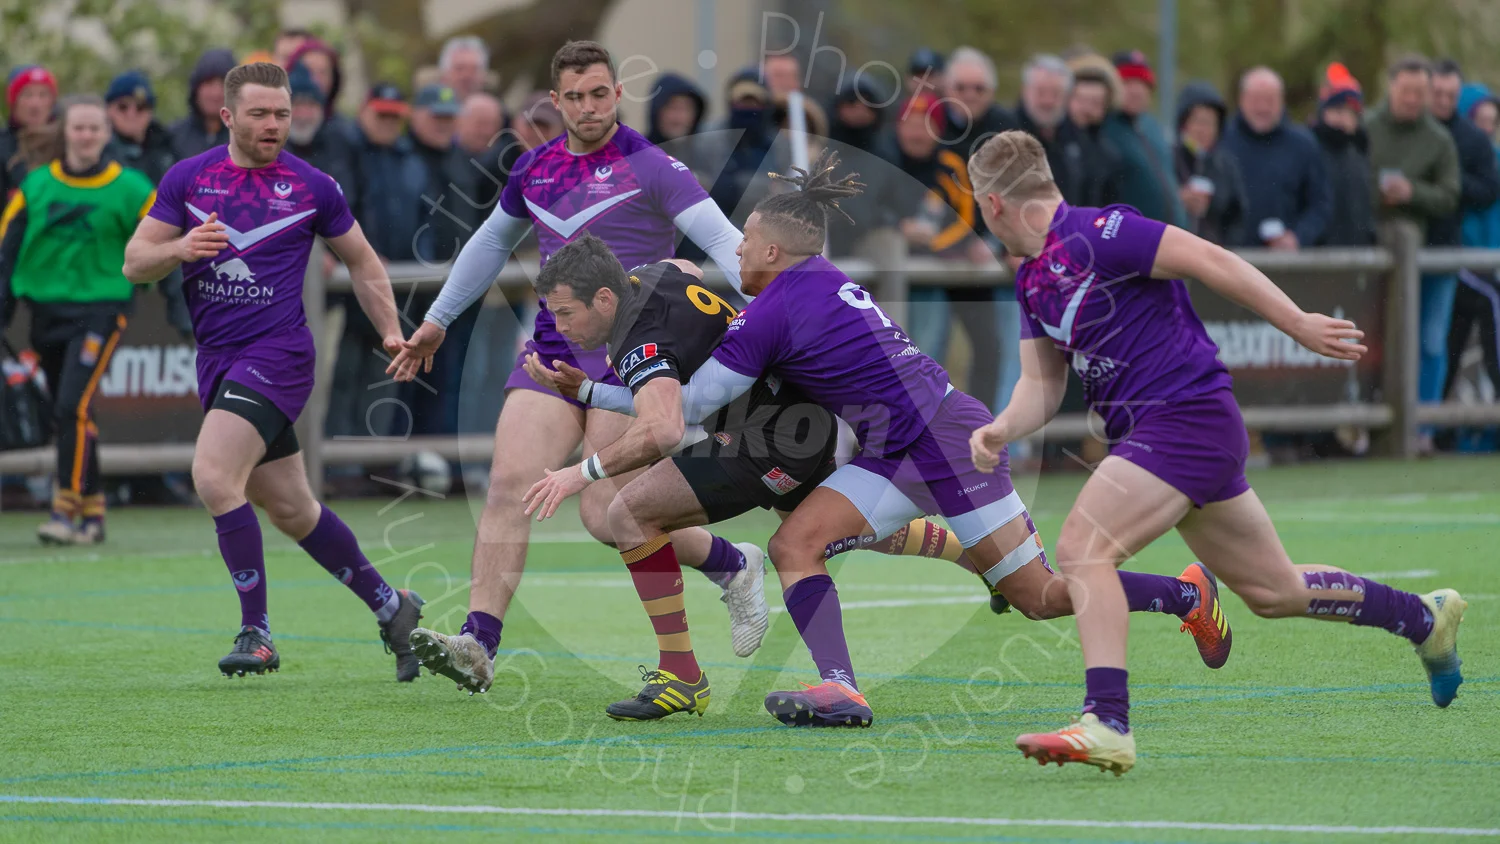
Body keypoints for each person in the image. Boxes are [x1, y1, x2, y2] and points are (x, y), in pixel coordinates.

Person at [543, 150, 1231, 727]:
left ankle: (1185, 597)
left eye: (746, 240)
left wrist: (592, 401)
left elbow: (687, 405)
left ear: (773, 250)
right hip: (890, 449)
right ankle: (840, 685)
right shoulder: (811, 283)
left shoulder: (772, 312)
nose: (737, 248)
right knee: (795, 543)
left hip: (949, 444)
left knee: (1040, 597)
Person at [965, 130, 1466, 775]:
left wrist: (1298, 323)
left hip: (1184, 420)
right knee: (1273, 590)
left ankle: (1107, 721)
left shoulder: (1105, 232)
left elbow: (1213, 260)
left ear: (993, 205)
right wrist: (1003, 427)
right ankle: (1423, 618)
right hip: (1166, 436)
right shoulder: (1032, 279)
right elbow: (1042, 384)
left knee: (1082, 550)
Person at [389, 40, 754, 697]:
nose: (588, 108)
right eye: (574, 97)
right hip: (553, 355)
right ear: (556, 103)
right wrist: (438, 320)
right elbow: (489, 245)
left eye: (598, 94)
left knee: (606, 514)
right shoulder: (533, 170)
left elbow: (726, 241)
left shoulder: (653, 165)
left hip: (631, 363)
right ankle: (479, 644)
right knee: (507, 484)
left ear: (617, 94)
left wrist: (781, 310)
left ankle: (731, 564)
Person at [518, 237, 1010, 718]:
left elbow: (664, 428)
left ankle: (682, 676)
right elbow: (685, 269)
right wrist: (588, 390)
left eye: (565, 313)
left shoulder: (635, 339)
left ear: (604, 298)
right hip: (799, 421)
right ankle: (980, 561)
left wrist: (579, 473)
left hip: (762, 443)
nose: (561, 327)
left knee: (627, 514)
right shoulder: (652, 276)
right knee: (839, 529)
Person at [122, 62, 427, 681]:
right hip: (218, 360)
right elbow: (135, 262)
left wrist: (390, 329)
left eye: (282, 114)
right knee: (290, 508)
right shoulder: (189, 178)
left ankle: (256, 631)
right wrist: (179, 249)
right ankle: (393, 607)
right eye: (259, 114)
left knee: (211, 475)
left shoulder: (313, 186)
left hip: (278, 355)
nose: (273, 125)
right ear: (227, 116)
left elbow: (364, 264)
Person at [0, 96, 155, 544]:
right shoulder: (35, 187)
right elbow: (7, 252)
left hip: (101, 310)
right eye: (78, 127)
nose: (86, 136)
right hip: (46, 312)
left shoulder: (132, 188)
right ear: (64, 132)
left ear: (106, 134)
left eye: (94, 128)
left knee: (72, 406)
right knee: (72, 414)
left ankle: (64, 510)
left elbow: (166, 240)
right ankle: (95, 512)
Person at [1366, 55, 1460, 450]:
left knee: (1427, 342)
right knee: (1372, 341)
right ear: (1391, 88)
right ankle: (1368, 426)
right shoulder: (1368, 128)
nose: (1412, 99)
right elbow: (1347, 180)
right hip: (1368, 252)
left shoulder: (1439, 139)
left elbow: (1451, 194)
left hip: (1421, 253)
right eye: (1406, 91)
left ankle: (1420, 427)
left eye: (1420, 92)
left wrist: (1413, 193)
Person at [890, 92, 1001, 409]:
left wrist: (934, 243)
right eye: (908, 124)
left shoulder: (951, 164)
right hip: (907, 276)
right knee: (921, 349)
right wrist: (900, 229)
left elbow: (969, 218)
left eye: (924, 124)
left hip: (957, 268)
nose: (916, 132)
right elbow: (871, 212)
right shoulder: (885, 159)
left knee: (989, 345)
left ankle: (982, 424)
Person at [1218, 67, 1330, 250]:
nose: (1263, 107)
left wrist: (1298, 237)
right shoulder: (1221, 142)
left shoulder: (1304, 145)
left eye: (1270, 100)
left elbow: (1321, 205)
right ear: (1242, 100)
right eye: (1256, 100)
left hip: (1288, 264)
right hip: (1230, 259)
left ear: (1282, 102)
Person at [1444, 82, 1500, 407]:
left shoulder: (1493, 159)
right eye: (1481, 121)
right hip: (1462, 260)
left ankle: (1444, 426)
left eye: (1493, 122)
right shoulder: (1456, 158)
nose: (1487, 129)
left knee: (1455, 343)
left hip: (1489, 261)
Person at [1103, 51, 1184, 226]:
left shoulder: (1152, 126)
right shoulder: (1104, 130)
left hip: (1168, 237)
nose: (1136, 91)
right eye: (1128, 83)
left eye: (1143, 84)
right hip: (1130, 239)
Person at [1310, 63, 1377, 247]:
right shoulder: (1310, 150)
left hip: (1357, 250)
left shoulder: (1360, 151)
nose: (1344, 119)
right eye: (1338, 111)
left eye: (1351, 113)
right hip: (1319, 254)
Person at [1173, 81, 1246, 246]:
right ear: (1184, 123)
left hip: (1214, 256)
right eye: (1198, 121)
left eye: (1210, 123)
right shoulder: (1168, 158)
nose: (1203, 130)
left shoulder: (1226, 165)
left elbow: (1237, 216)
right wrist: (1178, 199)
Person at [1014, 54, 1088, 205]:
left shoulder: (1077, 137)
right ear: (1025, 91)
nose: (1047, 101)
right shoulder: (1006, 133)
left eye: (1055, 94)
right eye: (1040, 92)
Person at [285, 63, 358, 199]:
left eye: (311, 105)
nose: (303, 114)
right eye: (296, 104)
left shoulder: (342, 146)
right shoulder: (268, 150)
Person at [1065, 54, 1125, 208]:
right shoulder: (1056, 142)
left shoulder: (1108, 153)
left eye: (1095, 102)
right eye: (1081, 100)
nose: (1087, 109)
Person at [940, 47, 1016, 160]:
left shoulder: (1006, 126)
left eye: (979, 89)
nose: (970, 96)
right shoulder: (932, 123)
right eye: (961, 88)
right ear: (946, 89)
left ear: (992, 92)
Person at [103, 71, 176, 185]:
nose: (131, 114)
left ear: (151, 112)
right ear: (108, 110)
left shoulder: (168, 146)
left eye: (141, 107)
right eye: (123, 107)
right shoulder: (99, 149)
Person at [2, 66, 60, 201]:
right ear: (14, 102)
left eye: (43, 95)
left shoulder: (67, 143)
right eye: (27, 95)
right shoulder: (3, 145)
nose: (35, 104)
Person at [169, 49, 235, 161]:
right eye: (209, 83)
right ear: (196, 88)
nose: (216, 93)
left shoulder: (244, 137)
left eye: (223, 84)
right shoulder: (173, 137)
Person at [439, 35, 491, 101]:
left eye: (474, 69)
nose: (467, 75)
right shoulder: (431, 107)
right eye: (459, 68)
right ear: (445, 74)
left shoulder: (495, 108)